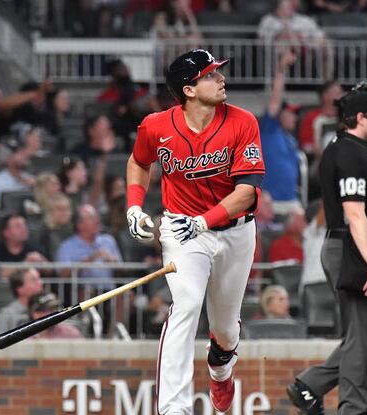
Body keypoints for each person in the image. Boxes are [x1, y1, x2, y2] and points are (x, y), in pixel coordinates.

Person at [125, 49, 264, 413]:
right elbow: (139, 162)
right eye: (210, 75)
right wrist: (135, 206)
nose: (220, 79)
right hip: (182, 230)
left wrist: (204, 220)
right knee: (185, 306)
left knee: (226, 330)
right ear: (189, 89)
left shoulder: (242, 120)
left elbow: (246, 192)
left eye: (218, 73)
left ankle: (221, 368)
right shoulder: (155, 125)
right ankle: (174, 409)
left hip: (234, 230)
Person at [287, 88, 367, 414]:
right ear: (361, 118)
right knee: (362, 339)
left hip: (345, 243)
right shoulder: (350, 154)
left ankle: (310, 385)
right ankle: (354, 409)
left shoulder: (349, 147)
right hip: (349, 244)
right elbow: (354, 213)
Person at [259, 49, 302, 215]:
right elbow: (275, 99)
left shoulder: (291, 139)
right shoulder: (269, 129)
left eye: (295, 114)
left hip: (291, 200)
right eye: (290, 113)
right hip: (271, 202)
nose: (294, 117)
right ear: (279, 114)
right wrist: (281, 68)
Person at [0, 214, 49, 279]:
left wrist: (42, 261)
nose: (24, 228)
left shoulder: (35, 249)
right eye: (18, 226)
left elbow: (52, 272)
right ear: (6, 233)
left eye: (24, 224)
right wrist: (25, 265)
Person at [0, 268, 43, 336]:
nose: (41, 283)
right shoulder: (7, 314)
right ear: (20, 289)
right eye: (34, 280)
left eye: (39, 279)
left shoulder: (47, 310)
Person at [298, 80, 343, 157]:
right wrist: (313, 149)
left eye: (340, 93)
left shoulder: (345, 117)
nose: (340, 96)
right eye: (336, 93)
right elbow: (304, 145)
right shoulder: (311, 117)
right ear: (325, 95)